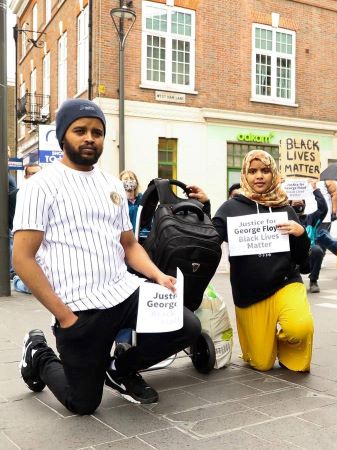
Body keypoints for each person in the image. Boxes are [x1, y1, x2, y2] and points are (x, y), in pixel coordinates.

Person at [15, 99, 201, 414]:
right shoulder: (40, 187)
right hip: (77, 308)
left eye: (97, 132)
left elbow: (128, 245)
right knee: (82, 403)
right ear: (63, 137)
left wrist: (156, 275)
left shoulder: (111, 185)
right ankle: (38, 353)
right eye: (80, 130)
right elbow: (22, 259)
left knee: (186, 326)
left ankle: (120, 369)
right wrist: (64, 316)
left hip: (123, 291)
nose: (90, 137)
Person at [212, 150, 314, 372]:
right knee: (261, 363)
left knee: (299, 328)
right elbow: (209, 239)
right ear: (245, 176)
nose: (259, 176)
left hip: (285, 283)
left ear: (273, 174)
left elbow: (300, 258)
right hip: (250, 293)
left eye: (265, 170)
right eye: (253, 171)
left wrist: (300, 233)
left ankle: (289, 348)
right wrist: (203, 205)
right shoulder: (230, 208)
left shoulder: (285, 208)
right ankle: (267, 343)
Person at [292, 181, 337, 293]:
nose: (298, 201)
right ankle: (291, 281)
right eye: (295, 200)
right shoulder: (286, 218)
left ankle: (313, 281)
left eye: (301, 200)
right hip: (292, 260)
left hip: (307, 260)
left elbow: (323, 209)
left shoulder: (310, 219)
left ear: (304, 204)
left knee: (317, 249)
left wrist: (315, 190)